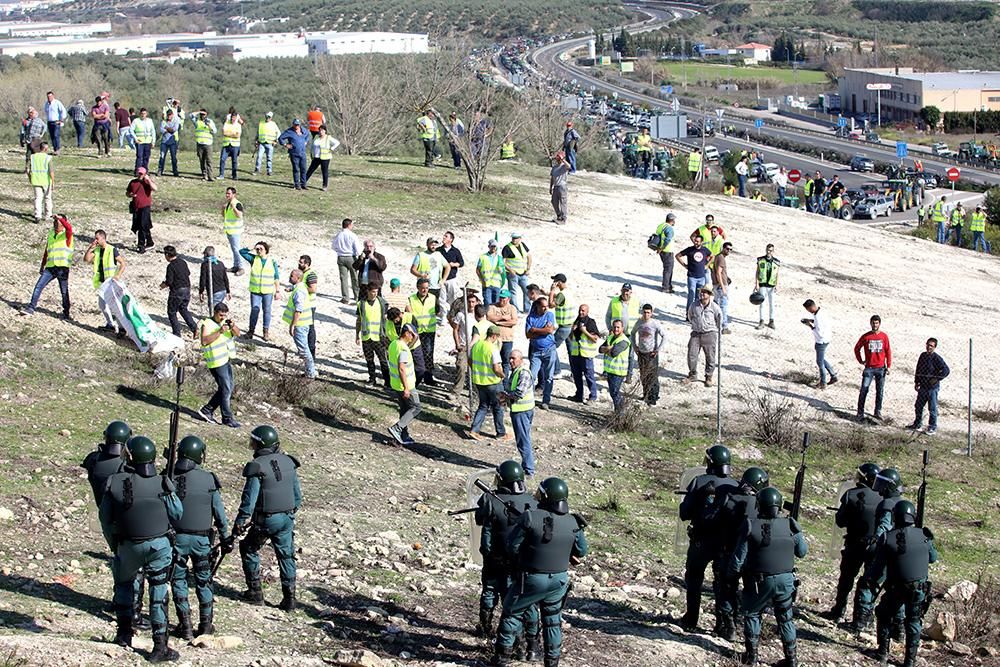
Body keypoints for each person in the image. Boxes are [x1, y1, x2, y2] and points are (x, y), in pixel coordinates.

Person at [99, 435, 183, 661]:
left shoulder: (115, 482)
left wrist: (114, 545)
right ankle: (160, 647)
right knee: (158, 593)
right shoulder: (162, 483)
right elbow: (177, 514)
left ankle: (124, 635)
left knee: (124, 587)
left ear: (131, 456)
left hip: (127, 546)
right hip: (159, 546)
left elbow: (105, 519)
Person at [493, 477, 588, 666]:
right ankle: (551, 661)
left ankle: (502, 658)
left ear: (545, 496)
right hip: (559, 581)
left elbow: (512, 546)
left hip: (531, 579)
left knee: (512, 614)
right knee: (553, 621)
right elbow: (582, 551)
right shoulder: (573, 522)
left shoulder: (530, 517)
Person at [729, 486, 807, 667]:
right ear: (779, 506)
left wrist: (731, 574)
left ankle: (752, 656)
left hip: (759, 582)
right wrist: (798, 533)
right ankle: (792, 659)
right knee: (785, 617)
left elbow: (738, 559)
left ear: (759, 505)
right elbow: (802, 552)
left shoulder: (751, 525)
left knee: (752, 613)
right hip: (787, 581)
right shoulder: (790, 524)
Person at [169, 435, 232, 640]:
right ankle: (206, 625)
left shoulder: (168, 477)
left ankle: (185, 625)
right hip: (201, 542)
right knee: (204, 581)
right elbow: (219, 513)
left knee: (178, 580)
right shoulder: (208, 479)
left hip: (176, 540)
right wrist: (225, 537)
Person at [233, 425, 302, 611]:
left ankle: (255, 592)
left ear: (260, 444)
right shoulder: (289, 462)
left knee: (248, 548)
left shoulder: (257, 466)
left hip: (266, 520)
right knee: (286, 556)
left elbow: (249, 499)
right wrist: (288, 514)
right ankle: (290, 599)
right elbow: (297, 497)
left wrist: (240, 521)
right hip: (287, 518)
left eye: (253, 442)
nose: (252, 445)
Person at [862, 501, 938, 667]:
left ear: (895, 516)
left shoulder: (887, 537)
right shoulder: (925, 536)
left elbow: (877, 568)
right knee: (914, 621)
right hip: (918, 589)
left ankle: (882, 653)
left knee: (883, 614)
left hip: (896, 588)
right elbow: (933, 558)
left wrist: (869, 581)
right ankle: (909, 661)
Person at [473, 461, 537, 641]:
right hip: (521, 560)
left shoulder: (489, 499)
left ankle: (485, 627)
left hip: (494, 556)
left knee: (490, 590)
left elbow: (479, 520)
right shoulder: (532, 502)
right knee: (518, 598)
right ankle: (527, 638)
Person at [678, 445, 737, 631]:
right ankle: (722, 624)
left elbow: (684, 513)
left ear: (711, 462)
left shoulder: (698, 481)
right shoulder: (735, 486)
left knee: (694, 579)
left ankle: (691, 619)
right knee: (722, 583)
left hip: (700, 541)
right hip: (725, 543)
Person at [708, 467, 769, 640]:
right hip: (753, 559)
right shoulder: (762, 504)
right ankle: (753, 632)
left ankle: (729, 626)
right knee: (751, 593)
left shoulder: (729, 498)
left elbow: (713, 520)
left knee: (725, 589)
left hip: (727, 553)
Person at [821, 463, 882, 624]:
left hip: (854, 544)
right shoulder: (883, 498)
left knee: (846, 579)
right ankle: (863, 617)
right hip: (875, 546)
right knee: (869, 583)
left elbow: (840, 522)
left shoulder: (851, 495)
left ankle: (839, 610)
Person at [20, 214, 74, 319]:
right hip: (50, 267)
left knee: (64, 291)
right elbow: (47, 250)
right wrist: (42, 265)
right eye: (54, 223)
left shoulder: (67, 235)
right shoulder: (51, 234)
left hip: (62, 268)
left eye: (58, 223)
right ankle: (31, 308)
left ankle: (66, 313)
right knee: (38, 286)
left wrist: (60, 218)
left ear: (63, 224)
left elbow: (69, 227)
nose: (55, 225)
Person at [198, 302, 240, 426]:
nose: (223, 318)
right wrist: (220, 332)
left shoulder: (225, 322)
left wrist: (233, 326)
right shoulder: (207, 324)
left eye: (225, 315)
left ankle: (207, 410)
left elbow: (238, 334)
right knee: (226, 389)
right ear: (215, 313)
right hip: (216, 361)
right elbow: (204, 341)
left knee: (227, 388)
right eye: (221, 315)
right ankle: (227, 418)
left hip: (225, 359)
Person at [470, 326, 509, 441]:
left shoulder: (477, 345)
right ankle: (501, 433)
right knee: (499, 407)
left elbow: (470, 360)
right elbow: (496, 368)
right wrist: (503, 375)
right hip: (493, 383)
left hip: (479, 381)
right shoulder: (493, 348)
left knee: (483, 406)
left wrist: (478, 370)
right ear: (494, 336)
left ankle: (474, 430)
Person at [83, 230, 127, 332]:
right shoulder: (97, 250)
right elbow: (86, 259)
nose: (96, 241)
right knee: (102, 305)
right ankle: (110, 324)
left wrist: (118, 276)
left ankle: (121, 327)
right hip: (102, 283)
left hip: (111, 283)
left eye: (97, 238)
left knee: (114, 306)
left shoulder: (112, 249)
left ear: (103, 238)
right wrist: (90, 248)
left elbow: (123, 264)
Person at [503, 350, 537, 477]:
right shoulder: (517, 372)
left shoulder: (523, 373)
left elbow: (519, 393)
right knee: (523, 439)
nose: (511, 361)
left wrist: (505, 396)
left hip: (521, 411)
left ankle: (529, 470)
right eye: (510, 358)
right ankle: (527, 466)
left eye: (514, 358)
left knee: (523, 441)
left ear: (521, 359)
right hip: (521, 410)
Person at [387, 324, 421, 444]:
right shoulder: (403, 349)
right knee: (416, 407)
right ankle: (397, 428)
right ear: (406, 333)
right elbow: (402, 369)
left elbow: (409, 345)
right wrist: (406, 388)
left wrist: (415, 337)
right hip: (406, 385)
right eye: (412, 335)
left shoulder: (394, 344)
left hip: (396, 384)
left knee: (404, 409)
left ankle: (403, 435)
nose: (413, 338)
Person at [240, 241, 281, 341]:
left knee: (267, 311)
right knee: (254, 310)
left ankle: (265, 332)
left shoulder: (272, 261)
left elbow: (276, 277)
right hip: (255, 291)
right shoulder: (254, 259)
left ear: (266, 250)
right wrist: (251, 247)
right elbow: (242, 252)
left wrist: (278, 291)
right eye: (257, 249)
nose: (259, 251)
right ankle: (251, 331)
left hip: (267, 291)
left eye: (261, 249)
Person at [854, 314, 891, 422]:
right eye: (873, 323)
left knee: (880, 391)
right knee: (864, 390)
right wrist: (860, 360)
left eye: (876, 323)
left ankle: (877, 411)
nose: (875, 325)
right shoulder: (866, 337)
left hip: (881, 368)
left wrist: (888, 366)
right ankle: (860, 412)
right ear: (870, 323)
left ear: (879, 324)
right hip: (869, 368)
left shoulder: (884, 336)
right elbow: (857, 348)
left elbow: (888, 351)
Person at [909, 338, 949, 435]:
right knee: (918, 406)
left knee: (932, 408)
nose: (929, 347)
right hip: (923, 386)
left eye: (931, 346)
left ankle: (932, 427)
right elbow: (918, 369)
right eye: (928, 345)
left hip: (932, 388)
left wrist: (936, 378)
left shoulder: (937, 358)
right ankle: (917, 423)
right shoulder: (923, 356)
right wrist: (916, 382)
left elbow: (946, 370)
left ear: (935, 347)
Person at [282, 269, 317, 379]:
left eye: (292, 276)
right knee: (304, 350)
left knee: (304, 351)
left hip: (301, 325)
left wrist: (293, 325)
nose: (289, 277)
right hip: (304, 323)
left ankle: (310, 374)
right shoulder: (300, 287)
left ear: (298, 278)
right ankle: (309, 372)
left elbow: (298, 310)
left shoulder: (299, 290)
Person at [685, 286, 722, 386]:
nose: (702, 294)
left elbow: (719, 321)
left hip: (710, 333)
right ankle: (692, 374)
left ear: (709, 295)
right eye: (701, 292)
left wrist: (715, 331)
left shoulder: (715, 307)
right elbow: (690, 316)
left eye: (705, 292)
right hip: (696, 333)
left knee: (710, 356)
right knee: (691, 354)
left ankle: (708, 376)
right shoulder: (694, 305)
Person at [525, 296, 557, 410]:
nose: (545, 309)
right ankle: (529, 399)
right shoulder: (530, 317)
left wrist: (535, 330)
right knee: (532, 375)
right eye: (543, 306)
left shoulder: (549, 315)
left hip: (549, 349)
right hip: (536, 351)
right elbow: (528, 335)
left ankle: (546, 401)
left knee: (549, 376)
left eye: (546, 306)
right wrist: (541, 331)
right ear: (537, 306)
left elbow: (549, 330)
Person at [160, 245, 198, 338]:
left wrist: (163, 285)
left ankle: (177, 334)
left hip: (177, 292)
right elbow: (188, 273)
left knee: (172, 312)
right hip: (187, 290)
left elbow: (169, 281)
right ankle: (195, 328)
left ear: (167, 255)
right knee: (183, 309)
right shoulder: (183, 262)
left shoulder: (170, 266)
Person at [605, 282, 641, 380]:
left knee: (630, 355)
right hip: (616, 332)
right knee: (609, 350)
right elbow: (608, 316)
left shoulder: (636, 301)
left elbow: (644, 313)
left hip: (630, 333)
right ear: (621, 291)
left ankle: (629, 375)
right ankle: (606, 372)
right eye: (624, 291)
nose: (626, 293)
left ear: (631, 292)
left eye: (627, 291)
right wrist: (610, 328)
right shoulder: (614, 301)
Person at [356, 283, 390, 386]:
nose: (375, 294)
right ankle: (372, 379)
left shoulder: (382, 303)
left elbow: (386, 319)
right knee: (369, 360)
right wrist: (357, 335)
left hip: (379, 337)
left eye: (377, 291)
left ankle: (387, 381)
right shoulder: (361, 304)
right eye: (373, 291)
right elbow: (359, 320)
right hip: (366, 337)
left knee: (383, 360)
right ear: (368, 291)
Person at [567, 304, 601, 403]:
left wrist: (584, 331)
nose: (581, 312)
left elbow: (595, 339)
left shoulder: (590, 322)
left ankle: (593, 396)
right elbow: (570, 338)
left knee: (589, 376)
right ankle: (579, 395)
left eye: (583, 311)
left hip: (586, 355)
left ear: (587, 312)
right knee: (576, 376)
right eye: (580, 310)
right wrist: (572, 331)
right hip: (575, 354)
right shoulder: (576, 321)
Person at [408, 278, 438, 386]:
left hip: (429, 331)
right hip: (416, 331)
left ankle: (428, 377)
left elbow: (437, 311)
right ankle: (416, 377)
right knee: (415, 354)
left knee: (429, 354)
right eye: (422, 288)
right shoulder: (411, 298)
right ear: (418, 287)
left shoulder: (433, 298)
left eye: (426, 288)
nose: (424, 290)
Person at [631, 304, 664, 405]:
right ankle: (646, 395)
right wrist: (634, 346)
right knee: (643, 375)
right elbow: (633, 333)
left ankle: (653, 398)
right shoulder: (639, 322)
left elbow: (664, 336)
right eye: (645, 312)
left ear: (651, 313)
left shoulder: (654, 324)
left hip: (651, 354)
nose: (646, 314)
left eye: (648, 313)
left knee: (652, 376)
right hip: (641, 353)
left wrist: (658, 349)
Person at [802, 299, 838, 388]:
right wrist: (811, 320)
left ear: (811, 307)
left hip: (821, 341)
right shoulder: (821, 313)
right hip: (827, 338)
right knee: (822, 359)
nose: (809, 311)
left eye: (808, 309)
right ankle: (833, 375)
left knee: (820, 362)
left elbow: (820, 333)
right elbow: (821, 323)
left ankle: (823, 382)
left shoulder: (818, 317)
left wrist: (810, 326)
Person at [676, 233, 713, 313]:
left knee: (699, 297)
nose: (696, 243)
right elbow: (678, 256)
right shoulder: (690, 249)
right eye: (695, 241)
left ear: (701, 242)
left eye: (698, 241)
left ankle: (696, 313)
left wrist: (707, 265)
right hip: (692, 276)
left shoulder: (705, 250)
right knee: (691, 295)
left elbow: (712, 256)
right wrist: (684, 265)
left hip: (701, 277)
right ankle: (688, 314)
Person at [600, 319, 630, 412]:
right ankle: (619, 412)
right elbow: (600, 350)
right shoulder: (611, 338)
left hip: (618, 372)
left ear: (622, 328)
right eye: (615, 327)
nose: (616, 329)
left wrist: (608, 349)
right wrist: (609, 348)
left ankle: (620, 413)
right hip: (610, 370)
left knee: (615, 393)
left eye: (618, 327)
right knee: (613, 393)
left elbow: (614, 353)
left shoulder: (624, 340)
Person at [486, 289, 518, 376]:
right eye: (500, 297)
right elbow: (489, 317)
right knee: (493, 360)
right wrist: (503, 317)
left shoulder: (512, 308)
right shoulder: (492, 306)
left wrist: (498, 323)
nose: (501, 300)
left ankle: (505, 381)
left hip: (507, 339)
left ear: (508, 299)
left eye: (504, 298)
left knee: (506, 361)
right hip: (494, 339)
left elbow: (513, 321)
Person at [411, 237, 447, 311]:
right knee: (424, 307)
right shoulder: (420, 255)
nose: (433, 246)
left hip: (436, 286)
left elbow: (448, 267)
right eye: (431, 244)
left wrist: (443, 280)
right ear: (427, 244)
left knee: (435, 308)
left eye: (435, 244)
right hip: (424, 287)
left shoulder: (438, 255)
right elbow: (413, 270)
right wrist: (421, 275)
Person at [548, 273, 575, 375]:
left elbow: (551, 305)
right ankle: (575, 372)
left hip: (564, 327)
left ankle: (557, 370)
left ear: (558, 282)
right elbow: (559, 299)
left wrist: (551, 291)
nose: (553, 282)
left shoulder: (561, 294)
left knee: (551, 347)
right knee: (572, 351)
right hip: (571, 325)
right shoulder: (568, 292)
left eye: (555, 281)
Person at [332, 218, 362, 304]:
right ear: (349, 225)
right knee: (354, 277)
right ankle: (357, 296)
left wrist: (339, 251)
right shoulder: (352, 235)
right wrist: (360, 256)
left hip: (341, 257)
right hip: (351, 257)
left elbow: (333, 246)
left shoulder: (338, 235)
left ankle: (345, 297)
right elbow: (357, 248)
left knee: (343, 278)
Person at [126, 167, 157, 253]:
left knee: (142, 226)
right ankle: (150, 242)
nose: (140, 175)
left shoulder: (147, 183)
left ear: (145, 174)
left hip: (145, 207)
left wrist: (148, 180)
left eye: (141, 174)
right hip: (136, 207)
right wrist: (130, 195)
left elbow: (155, 188)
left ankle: (141, 245)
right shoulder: (133, 182)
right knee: (142, 225)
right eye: (139, 173)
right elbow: (127, 193)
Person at [501, 233, 532, 313]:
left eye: (516, 238)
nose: (514, 240)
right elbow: (503, 262)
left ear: (520, 238)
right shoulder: (507, 247)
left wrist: (528, 268)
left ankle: (527, 309)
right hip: (512, 274)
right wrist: (510, 270)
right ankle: (515, 310)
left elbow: (529, 256)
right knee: (513, 292)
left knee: (527, 291)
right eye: (513, 238)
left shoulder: (523, 245)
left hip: (523, 273)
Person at [305, 125, 340, 191]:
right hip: (316, 157)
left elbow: (337, 143)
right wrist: (312, 154)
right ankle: (303, 182)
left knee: (324, 171)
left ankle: (325, 186)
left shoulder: (328, 138)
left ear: (325, 131)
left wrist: (332, 148)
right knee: (310, 170)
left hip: (325, 157)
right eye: (320, 130)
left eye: (322, 130)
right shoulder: (316, 137)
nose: (321, 132)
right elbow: (313, 146)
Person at [278, 119, 310, 190]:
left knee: (303, 169)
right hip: (294, 153)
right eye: (295, 124)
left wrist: (306, 142)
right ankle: (297, 184)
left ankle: (303, 184)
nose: (296, 126)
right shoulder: (289, 131)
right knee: (296, 169)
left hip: (302, 153)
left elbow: (308, 135)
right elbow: (280, 138)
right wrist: (285, 144)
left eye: (298, 125)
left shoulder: (304, 130)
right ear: (293, 124)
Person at [754, 244, 780, 330]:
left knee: (772, 304)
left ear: (773, 251)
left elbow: (777, 274)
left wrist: (777, 285)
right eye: (768, 250)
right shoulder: (761, 260)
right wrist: (756, 284)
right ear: (766, 250)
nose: (769, 252)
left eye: (771, 250)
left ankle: (771, 321)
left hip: (771, 285)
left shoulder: (776, 262)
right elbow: (757, 272)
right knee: (762, 303)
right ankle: (761, 321)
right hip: (763, 284)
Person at [28, 139, 54, 223]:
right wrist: (53, 181)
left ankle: (37, 215)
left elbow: (28, 170)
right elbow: (51, 171)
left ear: (40, 148)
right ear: (46, 149)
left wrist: (30, 178)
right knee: (48, 198)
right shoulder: (48, 158)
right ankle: (48, 215)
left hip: (36, 180)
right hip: (46, 181)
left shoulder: (33, 157)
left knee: (38, 198)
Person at [298, 255, 319, 359]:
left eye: (301, 262)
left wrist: (300, 288)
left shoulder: (311, 274)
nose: (299, 264)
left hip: (310, 305)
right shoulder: (303, 274)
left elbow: (313, 289)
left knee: (310, 328)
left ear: (307, 264)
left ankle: (311, 351)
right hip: (304, 304)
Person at [438, 231, 465, 311]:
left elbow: (461, 263)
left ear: (451, 239)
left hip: (451, 278)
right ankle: (443, 316)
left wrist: (454, 264)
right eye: (444, 236)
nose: (443, 237)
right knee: (441, 299)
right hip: (441, 278)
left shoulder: (455, 251)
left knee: (452, 298)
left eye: (446, 236)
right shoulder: (438, 250)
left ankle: (451, 314)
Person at [222, 186, 245, 275]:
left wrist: (234, 208)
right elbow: (225, 216)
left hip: (235, 231)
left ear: (234, 194)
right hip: (229, 230)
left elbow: (240, 215)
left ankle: (241, 267)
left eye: (229, 193)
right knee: (234, 249)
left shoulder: (237, 204)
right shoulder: (228, 204)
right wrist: (223, 209)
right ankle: (236, 266)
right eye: (226, 193)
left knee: (237, 249)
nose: (227, 195)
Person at [477, 239, 506, 306]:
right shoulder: (483, 257)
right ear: (489, 246)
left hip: (496, 284)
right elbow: (478, 270)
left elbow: (503, 272)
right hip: (486, 284)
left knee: (496, 303)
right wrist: (482, 280)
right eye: (492, 246)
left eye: (494, 246)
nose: (493, 248)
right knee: (487, 303)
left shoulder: (499, 258)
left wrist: (501, 271)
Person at [191, 109, 217, 181]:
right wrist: (199, 112)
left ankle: (210, 176)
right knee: (202, 160)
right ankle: (204, 175)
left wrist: (209, 126)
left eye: (204, 114)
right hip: (200, 143)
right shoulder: (197, 122)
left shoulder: (210, 121)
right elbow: (191, 115)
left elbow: (214, 131)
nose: (202, 116)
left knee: (209, 160)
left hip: (208, 144)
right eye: (201, 114)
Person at [653, 213, 676, 293]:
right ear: (671, 220)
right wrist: (662, 247)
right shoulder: (669, 228)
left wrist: (659, 248)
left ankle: (667, 285)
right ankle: (666, 287)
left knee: (666, 268)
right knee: (668, 269)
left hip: (661, 250)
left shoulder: (661, 225)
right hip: (667, 250)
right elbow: (667, 240)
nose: (674, 222)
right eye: (674, 220)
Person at [712, 242, 732, 334]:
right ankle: (724, 326)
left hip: (717, 284)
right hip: (720, 285)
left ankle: (714, 323)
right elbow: (718, 272)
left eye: (730, 249)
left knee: (715, 304)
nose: (728, 251)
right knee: (723, 305)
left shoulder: (718, 257)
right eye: (727, 249)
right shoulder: (721, 258)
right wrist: (723, 286)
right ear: (723, 248)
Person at [218, 107, 243, 180]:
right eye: (232, 118)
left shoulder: (238, 125)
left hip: (235, 145)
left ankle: (234, 175)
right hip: (226, 145)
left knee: (234, 161)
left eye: (234, 118)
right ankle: (221, 175)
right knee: (222, 159)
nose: (233, 119)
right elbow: (224, 132)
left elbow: (238, 135)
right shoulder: (226, 123)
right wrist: (233, 134)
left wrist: (229, 134)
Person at [254, 111, 280, 176]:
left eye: (269, 117)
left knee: (269, 158)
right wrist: (256, 140)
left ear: (271, 117)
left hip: (270, 143)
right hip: (262, 143)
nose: (268, 118)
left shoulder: (273, 124)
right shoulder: (261, 123)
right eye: (267, 116)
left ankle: (269, 171)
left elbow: (278, 133)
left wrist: (276, 141)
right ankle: (257, 169)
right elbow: (258, 132)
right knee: (259, 156)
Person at [130, 108, 156, 172]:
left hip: (148, 141)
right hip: (140, 142)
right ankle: (137, 170)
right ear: (140, 114)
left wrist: (153, 141)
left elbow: (153, 131)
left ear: (146, 114)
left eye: (144, 114)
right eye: (142, 114)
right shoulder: (136, 121)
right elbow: (131, 130)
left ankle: (145, 171)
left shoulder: (150, 121)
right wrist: (135, 138)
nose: (143, 115)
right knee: (139, 156)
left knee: (146, 157)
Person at [549, 151, 571, 224]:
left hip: (562, 187)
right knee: (554, 202)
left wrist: (563, 160)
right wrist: (550, 187)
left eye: (559, 158)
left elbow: (569, 166)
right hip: (555, 186)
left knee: (563, 203)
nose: (557, 159)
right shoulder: (554, 167)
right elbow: (552, 178)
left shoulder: (564, 166)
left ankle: (563, 219)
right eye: (557, 158)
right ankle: (559, 215)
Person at [157, 109, 181, 177]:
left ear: (172, 115)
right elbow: (162, 130)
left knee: (173, 157)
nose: (169, 116)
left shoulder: (175, 121)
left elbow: (174, 130)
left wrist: (167, 128)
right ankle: (160, 170)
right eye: (168, 115)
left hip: (172, 142)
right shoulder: (163, 121)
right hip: (164, 142)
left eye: (170, 115)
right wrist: (169, 129)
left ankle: (175, 171)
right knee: (162, 156)